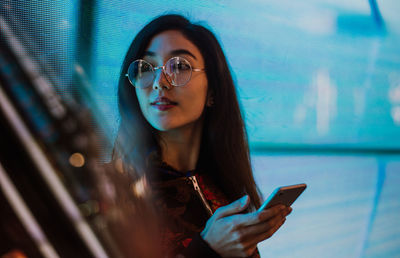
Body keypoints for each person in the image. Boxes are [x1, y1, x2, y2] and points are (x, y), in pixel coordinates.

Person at [112, 14, 292, 258]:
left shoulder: (222, 189)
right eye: (146, 68)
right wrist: (208, 250)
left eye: (179, 66)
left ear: (213, 92)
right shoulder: (113, 191)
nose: (159, 82)